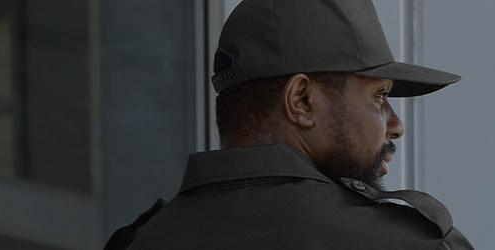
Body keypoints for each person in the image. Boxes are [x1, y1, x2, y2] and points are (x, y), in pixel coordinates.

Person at [103, 0, 472, 249]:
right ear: (302, 101)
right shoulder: (406, 243)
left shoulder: (140, 242)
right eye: (378, 96)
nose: (396, 125)